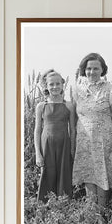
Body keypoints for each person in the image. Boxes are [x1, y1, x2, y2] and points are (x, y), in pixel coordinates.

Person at [72, 53, 112, 207]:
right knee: (88, 173)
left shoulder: (110, 88)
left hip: (104, 140)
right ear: (83, 70)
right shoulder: (76, 89)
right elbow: (74, 117)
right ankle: (91, 213)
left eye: (96, 68)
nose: (92, 72)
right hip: (84, 140)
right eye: (88, 68)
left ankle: (102, 212)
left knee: (102, 174)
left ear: (102, 70)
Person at [34, 69, 76, 201]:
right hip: (47, 146)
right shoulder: (41, 106)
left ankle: (63, 207)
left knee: (64, 176)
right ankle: (46, 208)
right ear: (46, 86)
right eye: (51, 84)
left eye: (58, 83)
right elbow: (37, 130)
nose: (55, 87)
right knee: (47, 175)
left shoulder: (69, 106)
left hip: (64, 145)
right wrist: (38, 154)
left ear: (63, 84)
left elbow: (73, 130)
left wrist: (73, 150)